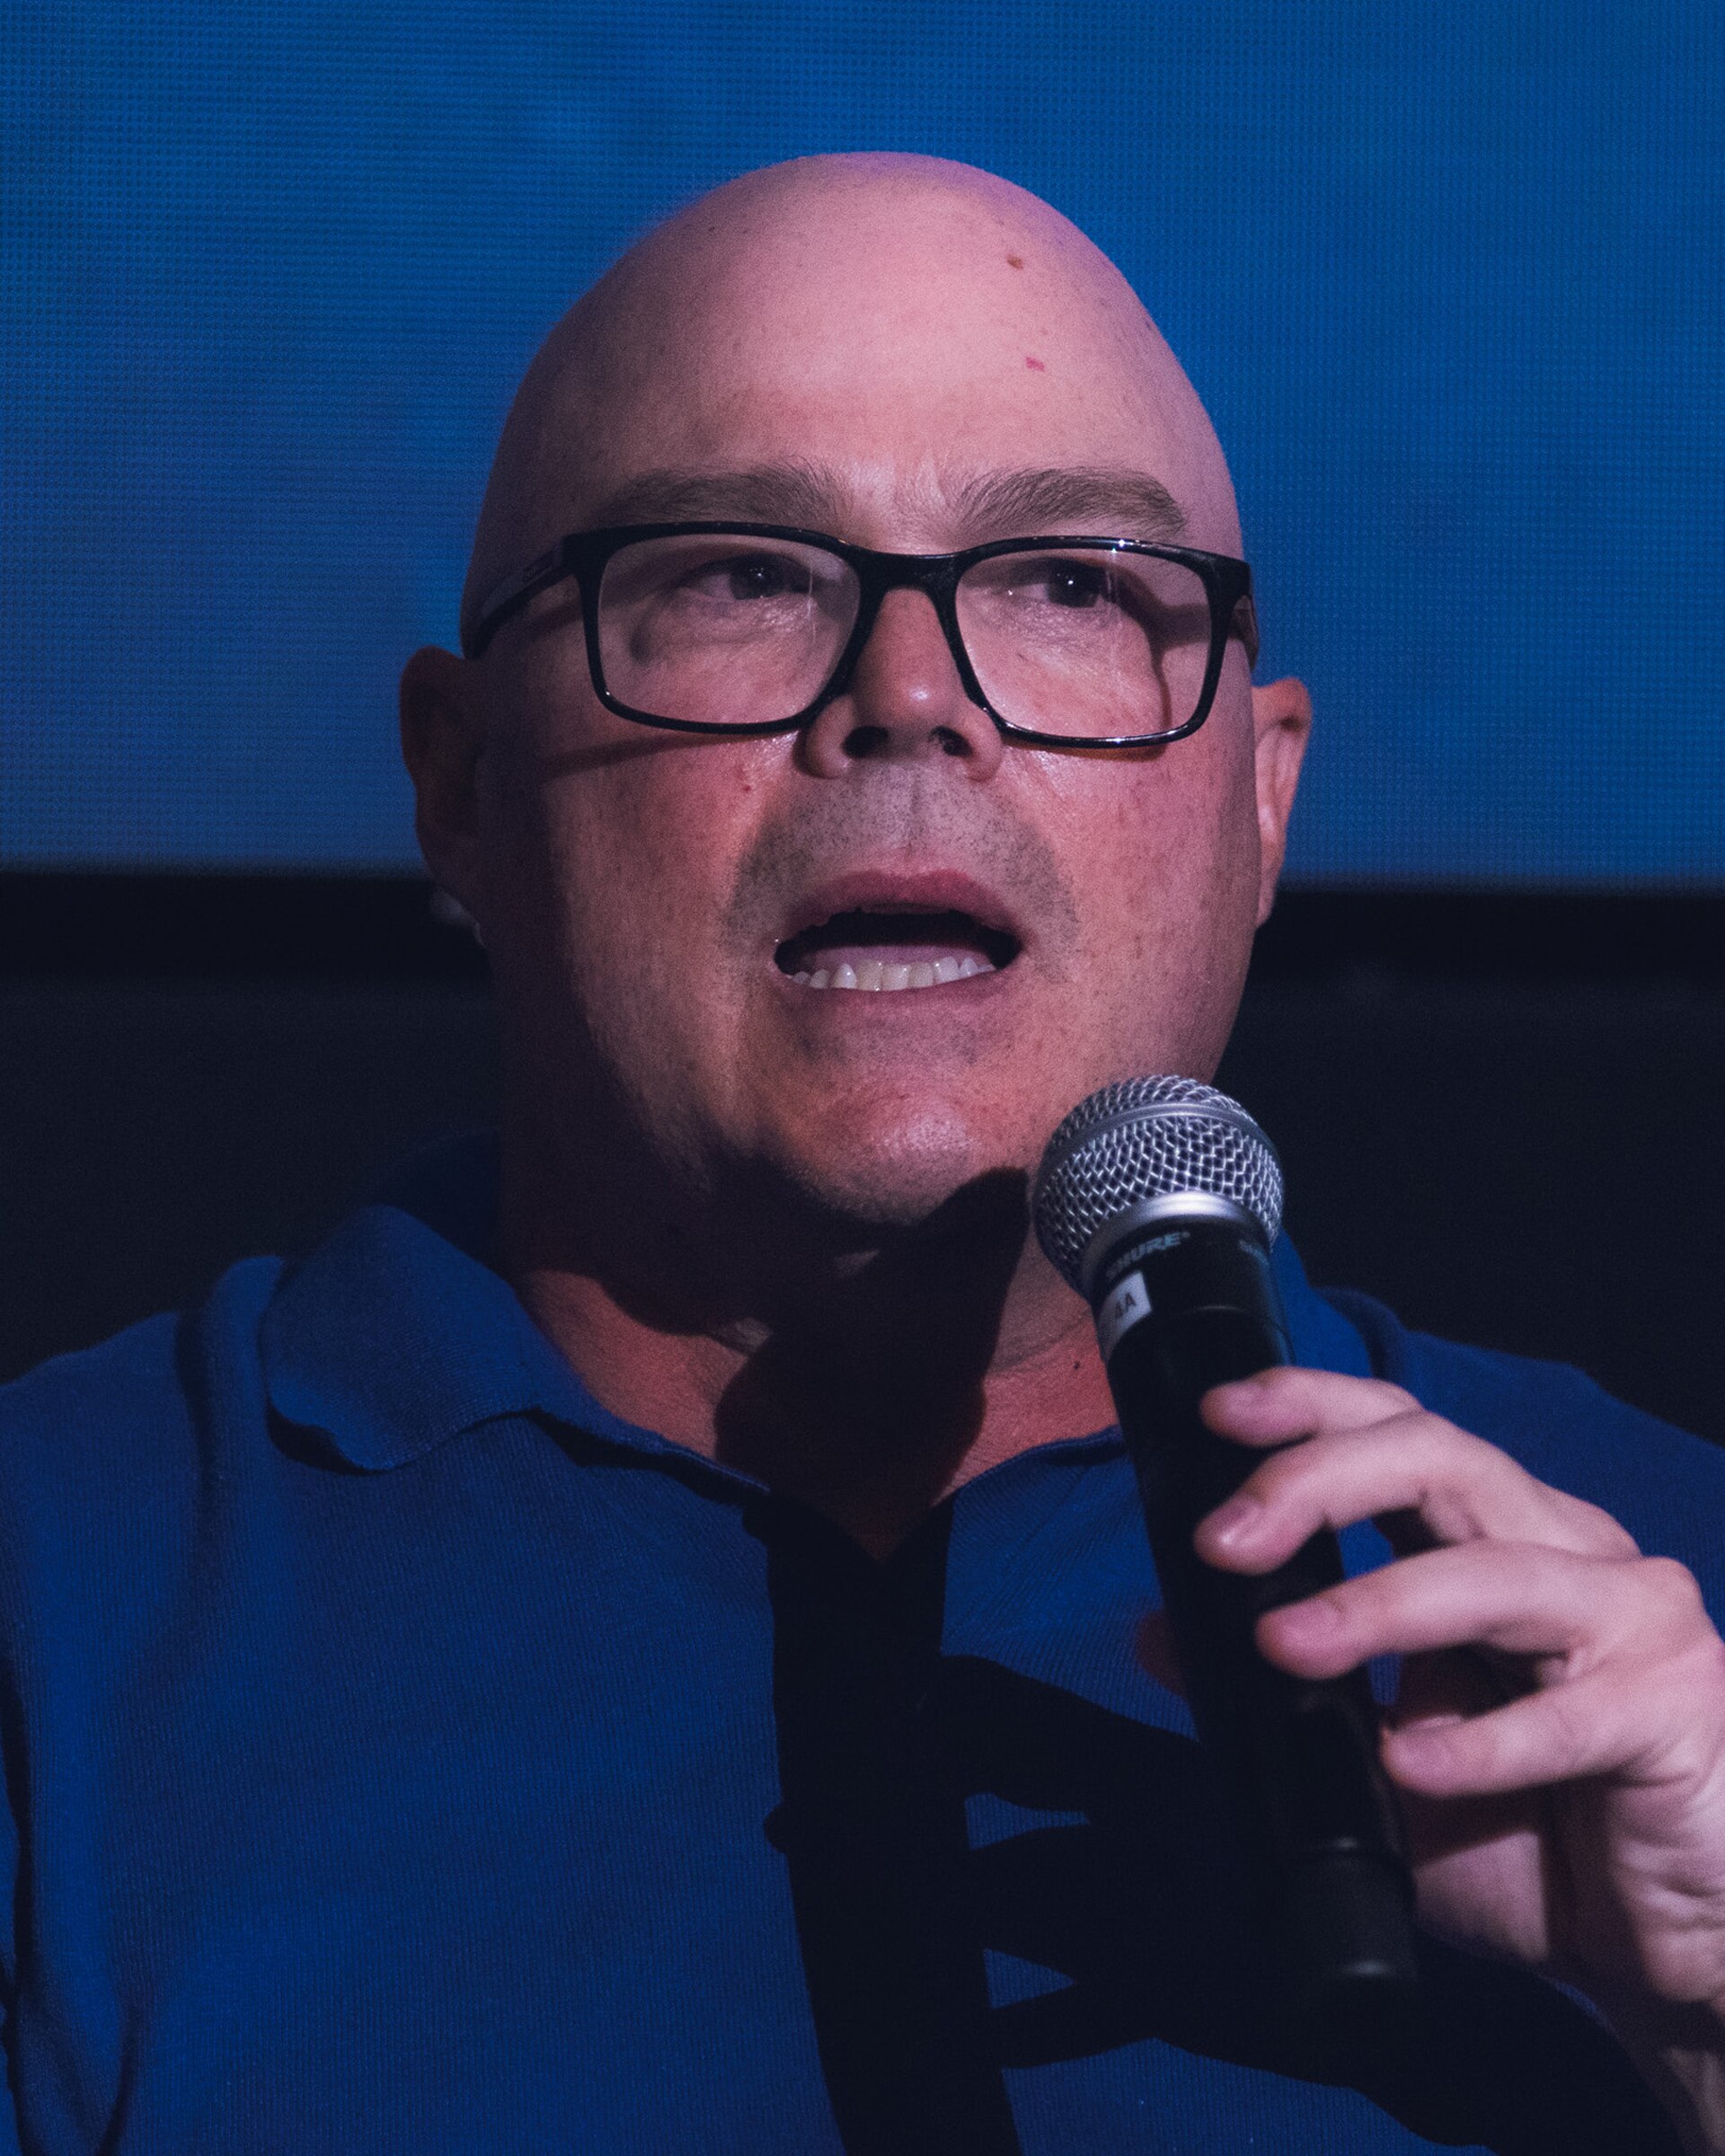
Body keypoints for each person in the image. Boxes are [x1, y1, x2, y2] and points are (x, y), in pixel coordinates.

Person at [4, 155, 1724, 2154]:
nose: (910, 703)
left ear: (1261, 808)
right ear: (462, 788)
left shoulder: (1663, 1611)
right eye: (741, 574)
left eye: (1074, 587)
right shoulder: (59, 1613)